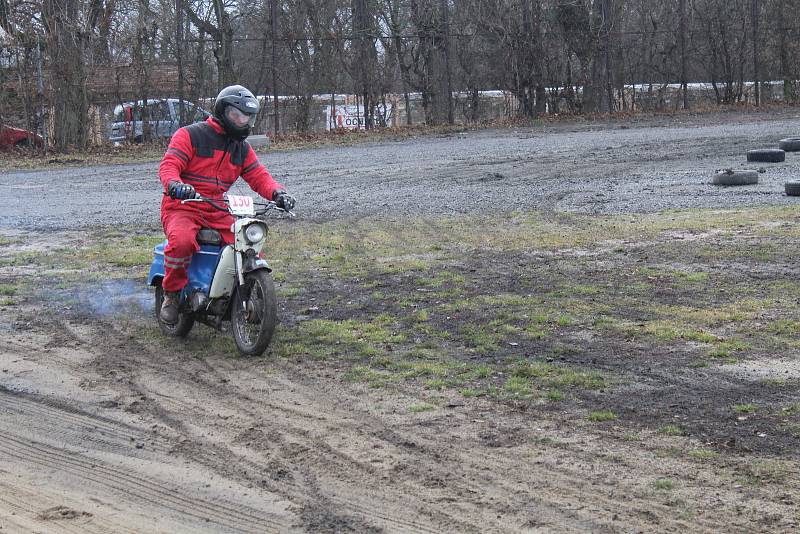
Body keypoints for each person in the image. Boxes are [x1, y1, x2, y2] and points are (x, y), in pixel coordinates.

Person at [157, 84, 296, 324]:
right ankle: (171, 295)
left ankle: (247, 296)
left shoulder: (241, 148)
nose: (243, 121)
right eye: (237, 115)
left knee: (248, 245)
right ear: (222, 111)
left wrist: (278, 194)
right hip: (183, 205)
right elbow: (169, 166)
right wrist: (175, 185)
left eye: (248, 117)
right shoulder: (190, 135)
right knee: (181, 243)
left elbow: (259, 176)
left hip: (217, 208)